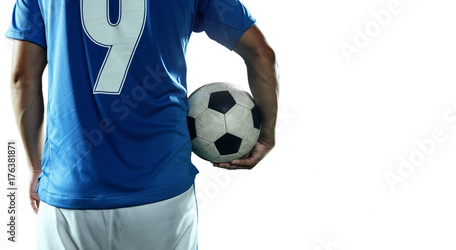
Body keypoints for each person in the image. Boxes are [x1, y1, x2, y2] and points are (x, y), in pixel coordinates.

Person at [7, 0, 279, 248]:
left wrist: (36, 166)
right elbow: (261, 54)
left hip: (71, 188)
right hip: (161, 189)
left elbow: (22, 78)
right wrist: (266, 133)